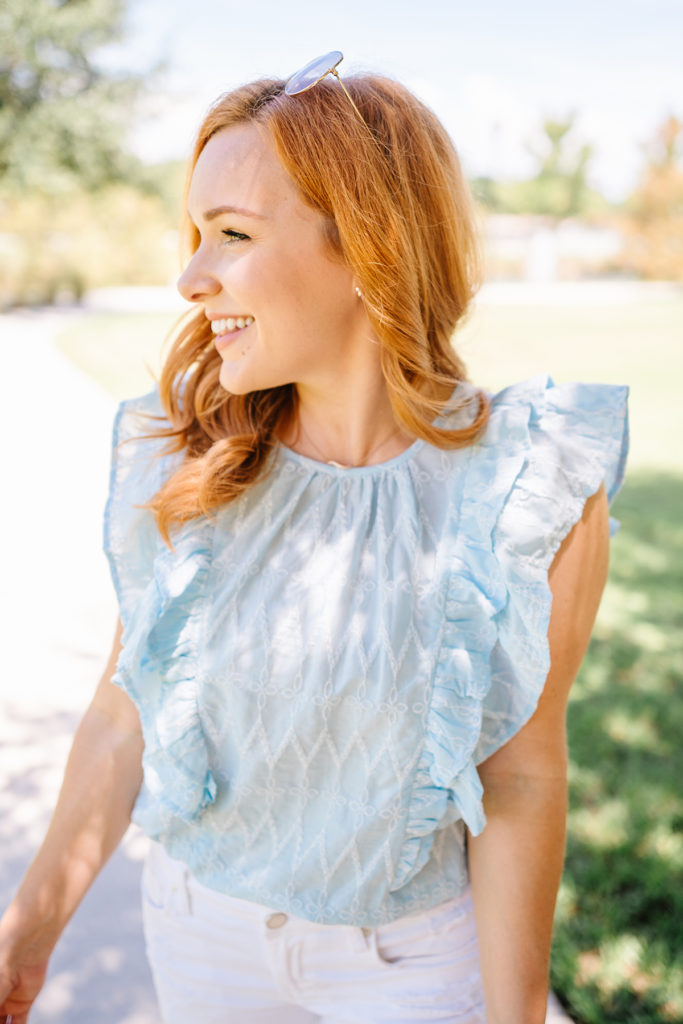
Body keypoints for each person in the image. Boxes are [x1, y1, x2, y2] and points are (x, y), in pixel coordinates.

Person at [0, 52, 628, 1024]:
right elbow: (125, 717)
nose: (189, 278)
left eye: (231, 235)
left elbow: (519, 773)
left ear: (365, 246)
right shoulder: (182, 457)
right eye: (194, 234)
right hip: (199, 934)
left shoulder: (527, 486)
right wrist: (28, 932)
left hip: (411, 967)